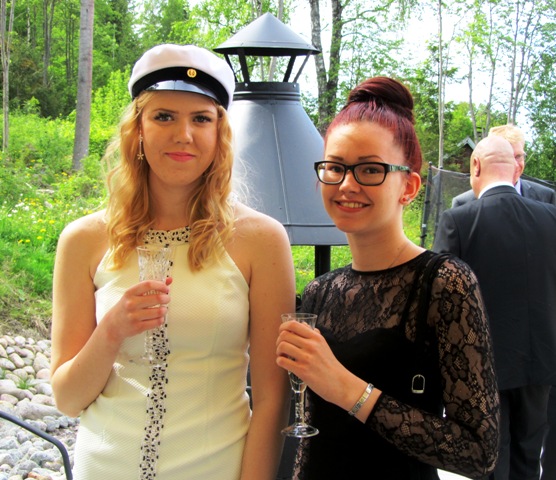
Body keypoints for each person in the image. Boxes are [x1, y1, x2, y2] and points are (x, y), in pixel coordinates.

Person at [50, 43, 296, 480]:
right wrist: (112, 330)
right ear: (138, 129)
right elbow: (68, 400)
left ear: (220, 133)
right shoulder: (83, 240)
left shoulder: (260, 240)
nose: (184, 134)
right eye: (164, 116)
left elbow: (272, 400)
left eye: (201, 119)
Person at [276, 76, 500, 479]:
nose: (347, 184)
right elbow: (310, 434)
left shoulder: (443, 283)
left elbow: (478, 452)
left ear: (408, 187)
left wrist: (346, 388)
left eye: (370, 169)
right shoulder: (321, 292)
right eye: (335, 168)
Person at [433, 135, 556, 480]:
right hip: (542, 361)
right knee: (529, 454)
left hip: (483, 365)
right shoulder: (551, 216)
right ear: (516, 169)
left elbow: (441, 297)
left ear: (476, 166)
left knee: (490, 458)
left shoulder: (459, 220)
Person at [451, 124, 556, 207]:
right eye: (507, 157)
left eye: (518, 156)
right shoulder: (464, 203)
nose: (514, 165)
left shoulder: (546, 197)